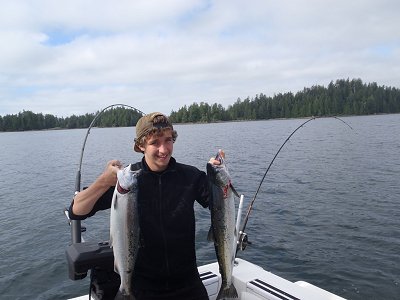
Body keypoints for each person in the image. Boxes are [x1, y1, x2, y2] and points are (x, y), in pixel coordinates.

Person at [69, 112, 220, 300]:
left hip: (188, 285)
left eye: (168, 140)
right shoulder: (127, 181)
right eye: (155, 142)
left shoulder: (191, 177)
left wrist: (217, 179)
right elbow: (76, 211)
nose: (163, 149)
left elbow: (220, 207)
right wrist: (103, 181)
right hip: (140, 288)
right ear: (141, 145)